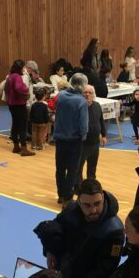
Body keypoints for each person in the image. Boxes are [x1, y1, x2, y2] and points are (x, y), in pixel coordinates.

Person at [34, 179, 124, 278]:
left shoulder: (114, 230)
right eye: (87, 205)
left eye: (97, 203)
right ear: (78, 202)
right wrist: (49, 250)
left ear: (102, 196)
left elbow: (103, 271)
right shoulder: (71, 210)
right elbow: (55, 227)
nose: (93, 210)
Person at [53, 73, 89, 204]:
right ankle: (68, 197)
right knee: (73, 170)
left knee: (60, 168)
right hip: (74, 140)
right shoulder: (81, 101)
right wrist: (83, 136)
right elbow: (83, 124)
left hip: (59, 138)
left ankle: (61, 195)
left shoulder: (61, 96)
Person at [4, 59, 35, 157]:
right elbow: (19, 88)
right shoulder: (17, 77)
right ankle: (24, 149)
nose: (24, 68)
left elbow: (5, 89)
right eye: (23, 67)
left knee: (15, 125)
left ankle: (16, 146)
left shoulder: (10, 76)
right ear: (20, 67)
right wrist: (26, 91)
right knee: (22, 126)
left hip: (11, 104)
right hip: (19, 104)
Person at [78, 85, 106, 182]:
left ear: (93, 95)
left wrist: (104, 135)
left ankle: (91, 184)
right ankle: (78, 185)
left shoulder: (97, 105)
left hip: (95, 143)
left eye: (90, 93)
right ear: (82, 94)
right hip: (82, 143)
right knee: (79, 167)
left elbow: (101, 121)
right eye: (85, 92)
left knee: (92, 166)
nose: (87, 94)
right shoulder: (78, 107)